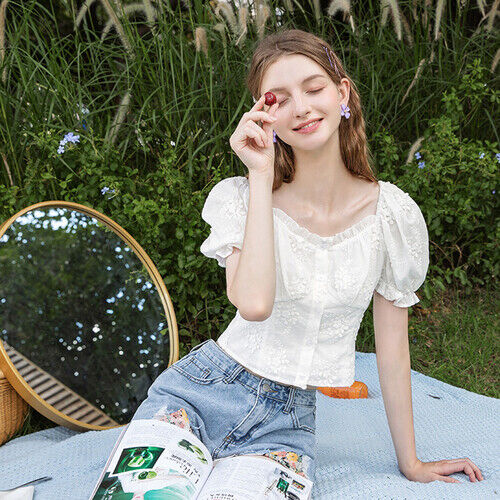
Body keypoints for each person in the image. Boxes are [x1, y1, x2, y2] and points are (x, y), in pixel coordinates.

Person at [132, 28, 483, 487]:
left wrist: (411, 463)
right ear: (264, 116)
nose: (300, 107)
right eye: (278, 100)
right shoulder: (241, 199)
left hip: (287, 424)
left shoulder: (391, 216)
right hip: (200, 394)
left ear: (342, 94)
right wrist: (260, 175)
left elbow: (393, 351)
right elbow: (254, 305)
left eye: (314, 88)